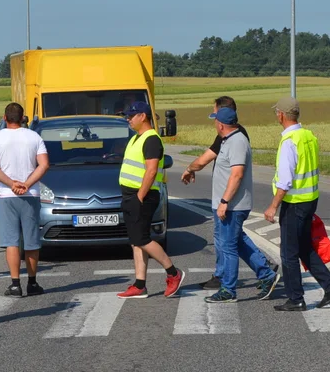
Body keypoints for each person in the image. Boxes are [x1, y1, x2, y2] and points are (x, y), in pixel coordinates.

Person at [263, 97, 330, 312]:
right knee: (304, 247)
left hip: (294, 203)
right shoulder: (308, 136)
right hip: (310, 200)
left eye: (276, 113)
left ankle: (296, 298)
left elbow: (285, 180)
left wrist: (273, 206)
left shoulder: (290, 140)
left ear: (281, 115)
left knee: (289, 253)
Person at [197, 106, 279, 302]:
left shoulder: (237, 142)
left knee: (228, 246)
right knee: (238, 243)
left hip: (233, 205)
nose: (214, 124)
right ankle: (266, 275)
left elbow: (237, 174)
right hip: (230, 205)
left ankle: (228, 290)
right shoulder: (229, 140)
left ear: (221, 124)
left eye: (215, 120)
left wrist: (224, 201)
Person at [181, 96, 261, 291]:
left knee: (227, 242)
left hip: (230, 202)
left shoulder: (233, 137)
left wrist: (190, 169)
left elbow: (206, 161)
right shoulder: (232, 135)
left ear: (222, 118)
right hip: (228, 201)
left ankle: (227, 280)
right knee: (234, 239)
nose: (214, 119)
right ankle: (263, 269)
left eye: (215, 113)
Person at [117, 101, 185, 298]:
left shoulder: (152, 139)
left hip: (143, 196)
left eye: (131, 115)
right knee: (136, 241)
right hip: (131, 196)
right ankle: (139, 285)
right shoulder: (136, 139)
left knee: (142, 239)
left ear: (143, 116)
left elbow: (152, 170)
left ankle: (173, 273)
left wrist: (139, 196)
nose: (128, 119)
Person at [0, 102, 49, 296]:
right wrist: (27, 184)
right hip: (30, 195)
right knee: (31, 241)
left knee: (11, 241)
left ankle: (15, 283)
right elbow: (44, 164)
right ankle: (32, 282)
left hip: (7, 195)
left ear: (5, 118)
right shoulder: (34, 137)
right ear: (22, 118)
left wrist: (11, 183)